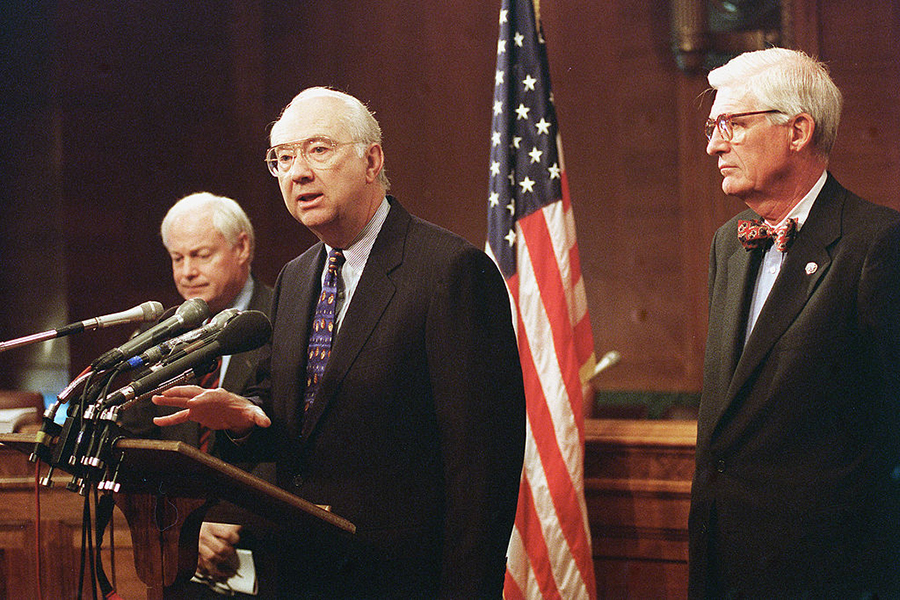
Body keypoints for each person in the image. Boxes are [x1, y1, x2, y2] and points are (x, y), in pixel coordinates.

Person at [151, 87, 526, 599]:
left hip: (400, 581)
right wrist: (242, 415)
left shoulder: (449, 272)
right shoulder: (296, 277)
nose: (297, 172)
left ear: (372, 160)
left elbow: (482, 470)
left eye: (317, 150)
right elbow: (294, 413)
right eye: (283, 158)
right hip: (294, 577)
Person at [691, 47, 900, 598]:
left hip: (827, 576)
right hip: (722, 568)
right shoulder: (728, 245)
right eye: (714, 125)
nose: (714, 144)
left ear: (798, 130)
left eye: (732, 124)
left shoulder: (877, 245)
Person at [119, 191, 276, 599]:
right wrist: (179, 523)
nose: (187, 272)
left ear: (242, 248)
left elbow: (289, 438)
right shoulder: (163, 335)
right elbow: (137, 440)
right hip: (179, 553)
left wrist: (225, 519)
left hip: (262, 550)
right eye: (177, 258)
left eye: (201, 255)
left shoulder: (284, 319)